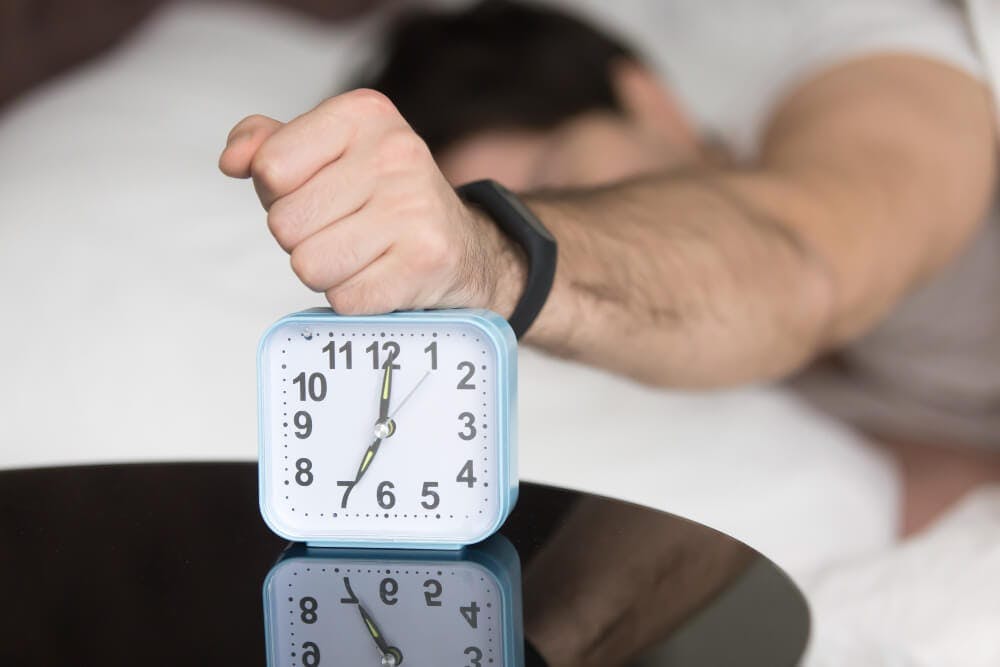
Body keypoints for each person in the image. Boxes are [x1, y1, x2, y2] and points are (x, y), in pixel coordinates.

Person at [218, 0, 998, 536]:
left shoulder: (882, 72)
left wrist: (495, 252)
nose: (569, 221)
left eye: (553, 186)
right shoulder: (724, 372)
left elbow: (801, 258)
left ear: (647, 100)